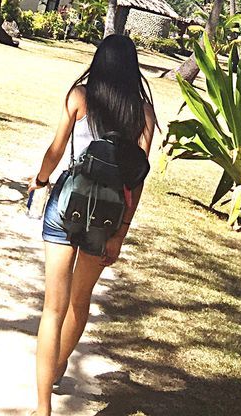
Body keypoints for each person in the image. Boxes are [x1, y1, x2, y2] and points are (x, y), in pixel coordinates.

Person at [26, 34, 156, 416]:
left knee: (54, 308)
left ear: (98, 62)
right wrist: (120, 234)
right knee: (79, 303)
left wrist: (41, 179)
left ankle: (42, 408)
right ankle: (60, 361)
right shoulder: (143, 114)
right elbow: (137, 180)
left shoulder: (79, 97)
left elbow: (55, 149)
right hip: (108, 217)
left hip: (66, 206)